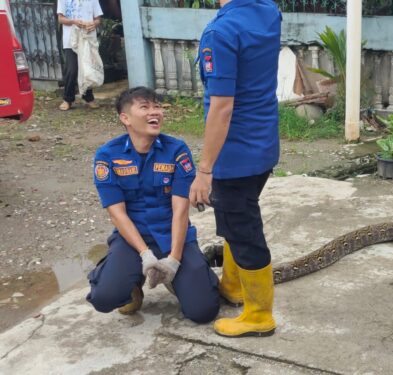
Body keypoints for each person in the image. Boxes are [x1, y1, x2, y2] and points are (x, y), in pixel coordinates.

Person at [86, 87, 220, 324]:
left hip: (174, 236)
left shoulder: (176, 151)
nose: (155, 112)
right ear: (125, 118)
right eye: (145, 107)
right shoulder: (108, 156)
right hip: (132, 239)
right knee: (104, 298)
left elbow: (180, 211)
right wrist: (145, 254)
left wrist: (174, 260)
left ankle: (176, 277)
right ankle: (132, 283)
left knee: (203, 311)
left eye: (157, 106)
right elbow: (118, 214)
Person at [189, 0, 281, 338]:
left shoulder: (220, 32)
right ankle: (233, 285)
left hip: (236, 154)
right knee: (233, 219)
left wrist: (204, 169)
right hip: (263, 145)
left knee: (243, 230)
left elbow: (222, 107)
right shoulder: (268, 11)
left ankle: (259, 314)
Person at [56, 0, 101, 111]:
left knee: (87, 69)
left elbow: (98, 19)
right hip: (70, 40)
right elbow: (60, 19)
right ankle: (68, 99)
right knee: (71, 69)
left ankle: (88, 98)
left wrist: (93, 24)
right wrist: (73, 22)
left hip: (87, 38)